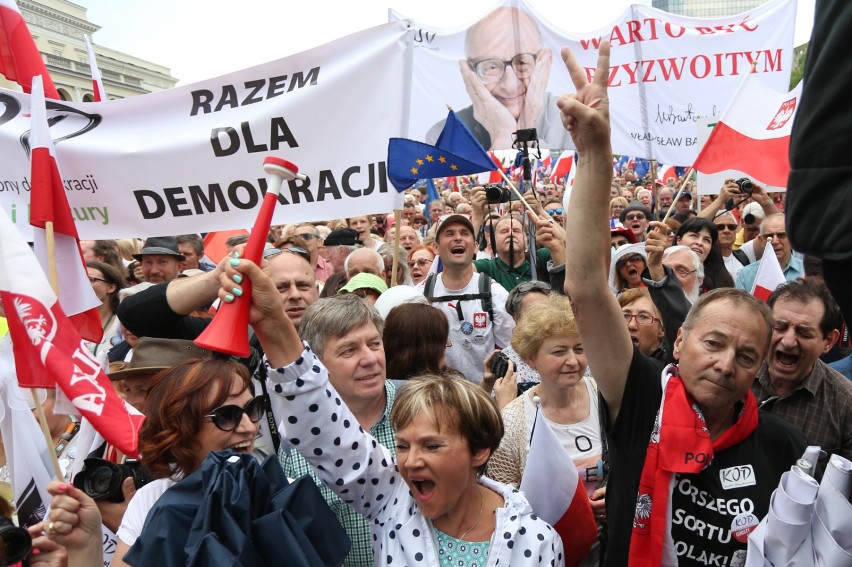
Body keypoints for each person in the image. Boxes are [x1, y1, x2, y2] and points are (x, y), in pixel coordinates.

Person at [560, 42, 806, 565]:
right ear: (679, 340)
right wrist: (595, 157)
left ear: (759, 368)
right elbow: (584, 287)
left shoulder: (782, 448)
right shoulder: (640, 397)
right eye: (713, 343)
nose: (724, 364)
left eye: (745, 356)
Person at [212, 257, 565, 565]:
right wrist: (274, 325)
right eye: (402, 445)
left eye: (432, 445)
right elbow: (321, 425)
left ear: (480, 450)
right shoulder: (393, 499)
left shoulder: (535, 540)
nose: (409, 462)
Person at [487, 295, 605, 566]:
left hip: (608, 548)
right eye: (559, 351)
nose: (573, 361)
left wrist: (617, 496)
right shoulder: (512, 422)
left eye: (579, 348)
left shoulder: (605, 400)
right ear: (531, 358)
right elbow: (503, 505)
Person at [112, 356, 263, 566]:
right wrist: (86, 544)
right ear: (182, 429)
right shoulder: (152, 499)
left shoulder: (279, 492)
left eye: (253, 408)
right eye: (227, 415)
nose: (249, 427)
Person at [425, 7, 572, 151]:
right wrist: (503, 137)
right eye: (491, 67)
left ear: (544, 64)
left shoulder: (578, 124)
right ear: (469, 72)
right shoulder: (443, 138)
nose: (510, 86)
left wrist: (525, 139)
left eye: (522, 63)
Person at [752, 280, 852, 463]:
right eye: (779, 327)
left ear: (829, 341)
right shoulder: (734, 374)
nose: (788, 341)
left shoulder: (846, 404)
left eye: (804, 333)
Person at [418, 214, 515, 384]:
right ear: (435, 247)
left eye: (464, 233)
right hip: (436, 400)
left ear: (476, 246)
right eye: (449, 234)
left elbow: (512, 350)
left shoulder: (495, 294)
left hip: (482, 399)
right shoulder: (420, 294)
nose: (457, 238)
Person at [735, 213, 805, 293]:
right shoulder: (745, 275)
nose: (775, 241)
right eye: (769, 236)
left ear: (791, 238)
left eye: (781, 235)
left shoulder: (806, 271)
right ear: (761, 240)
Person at [383, 302, 451, 384]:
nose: (447, 347)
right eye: (444, 344)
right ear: (428, 351)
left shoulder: (375, 391)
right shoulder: (448, 395)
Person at [674, 217, 734, 292]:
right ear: (679, 240)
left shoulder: (722, 282)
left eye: (706, 240)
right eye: (694, 236)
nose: (699, 243)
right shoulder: (663, 272)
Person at [84, 261, 127, 359]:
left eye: (91, 279)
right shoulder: (69, 321)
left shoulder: (123, 323)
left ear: (111, 287)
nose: (83, 284)